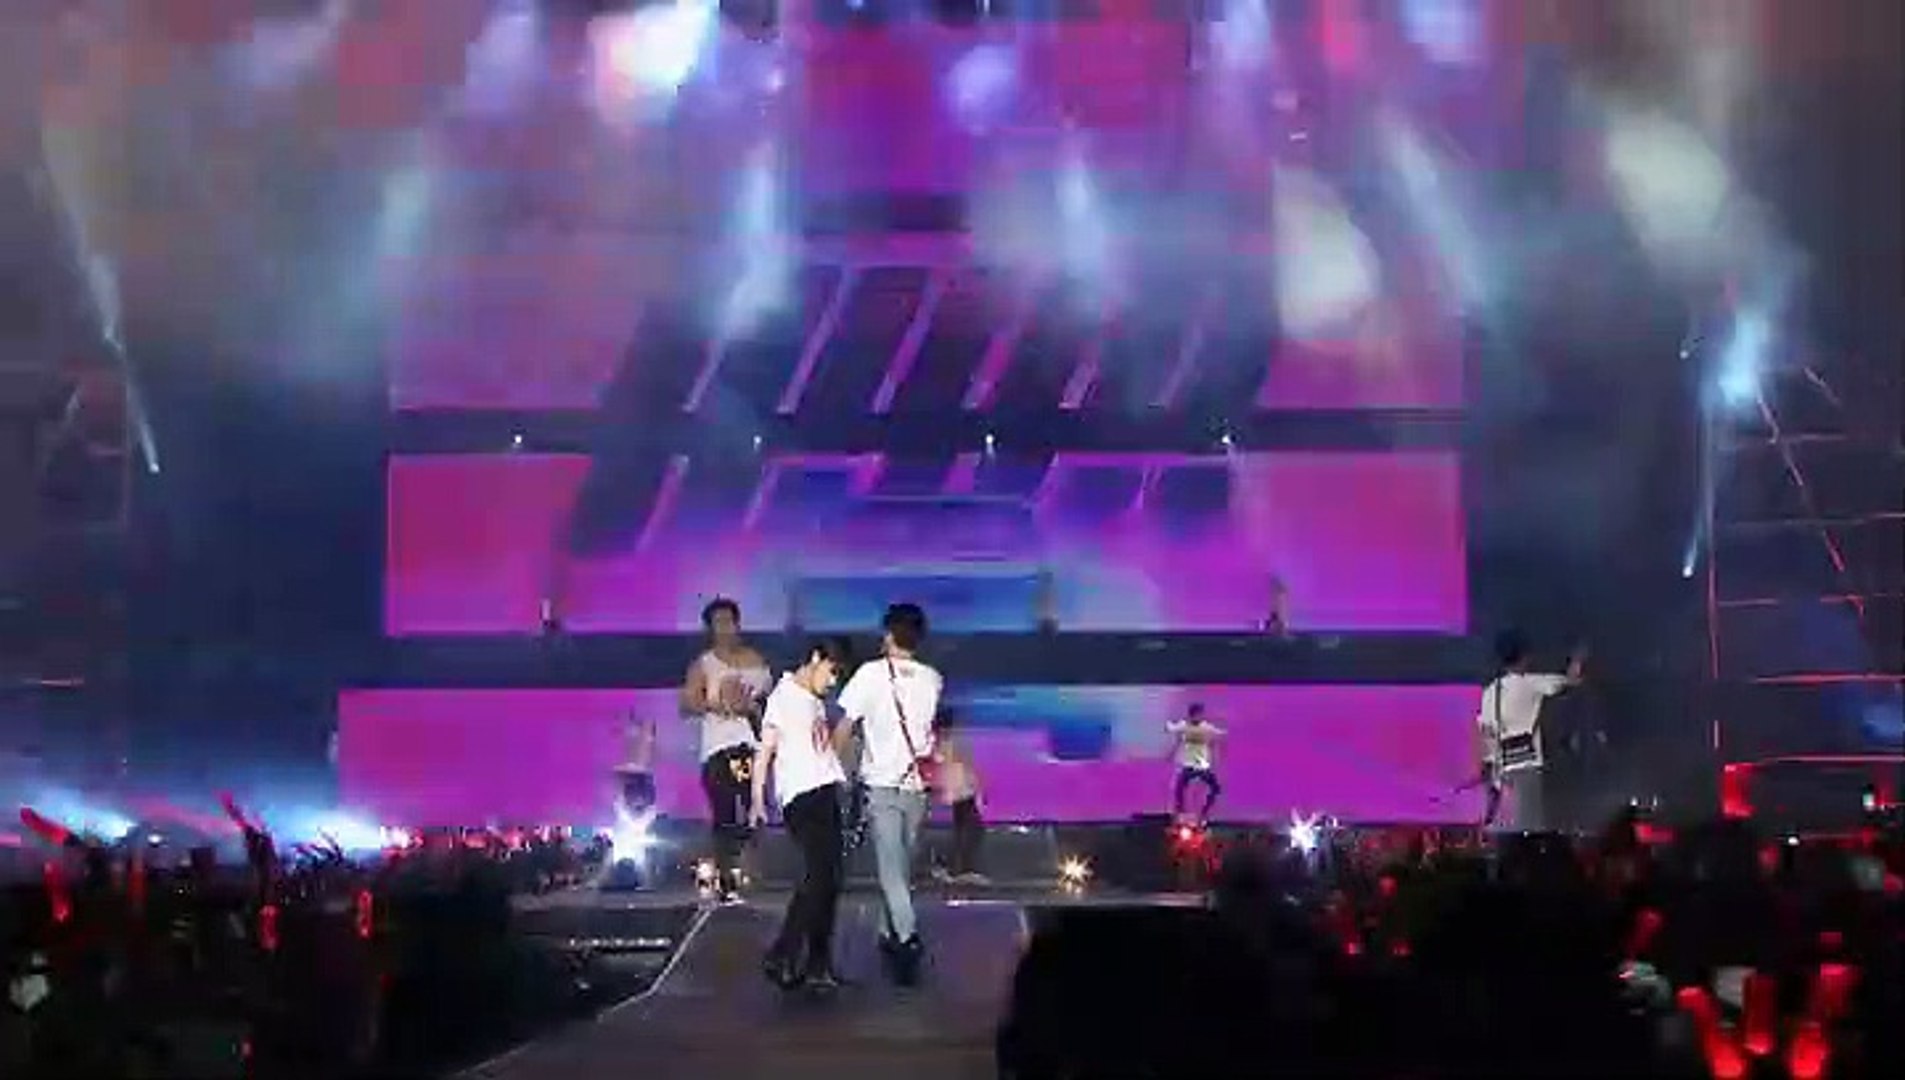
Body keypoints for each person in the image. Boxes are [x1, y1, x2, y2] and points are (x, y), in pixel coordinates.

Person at [838, 602, 941, 985]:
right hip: (915, 785)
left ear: (887, 634)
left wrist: (833, 768)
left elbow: (845, 726)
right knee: (900, 868)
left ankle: (908, 938)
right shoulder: (932, 679)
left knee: (891, 870)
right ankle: (887, 930)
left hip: (881, 785)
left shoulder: (870, 674)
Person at [749, 638, 851, 992]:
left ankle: (817, 963)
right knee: (818, 877)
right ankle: (782, 953)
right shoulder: (784, 696)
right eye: (831, 671)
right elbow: (765, 751)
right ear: (815, 658)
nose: (833, 682)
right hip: (802, 796)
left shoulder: (814, 701)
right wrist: (757, 799)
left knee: (829, 881)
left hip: (825, 791)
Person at [680, 597, 771, 902]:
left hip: (752, 747)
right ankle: (727, 880)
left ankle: (753, 874)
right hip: (719, 749)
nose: (725, 628)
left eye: (729, 622)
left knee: (754, 810)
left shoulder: (756, 660)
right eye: (718, 623)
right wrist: (718, 705)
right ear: (710, 628)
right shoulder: (704, 664)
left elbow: (769, 701)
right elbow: (688, 703)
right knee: (725, 814)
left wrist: (752, 708)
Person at [1476, 640, 1586, 833]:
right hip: (1526, 763)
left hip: (1503, 766)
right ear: (1524, 658)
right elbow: (1570, 681)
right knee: (1529, 824)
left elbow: (1487, 731)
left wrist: (1489, 763)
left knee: (1511, 821)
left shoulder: (1491, 691)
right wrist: (1577, 660)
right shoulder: (1530, 683)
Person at [930, 710, 988, 885]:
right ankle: (955, 867)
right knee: (971, 829)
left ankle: (956, 867)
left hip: (960, 791)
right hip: (961, 791)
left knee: (966, 829)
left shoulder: (941, 742)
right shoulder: (947, 742)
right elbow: (960, 767)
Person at [1168, 703, 1225, 823]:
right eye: (1196, 715)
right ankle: (1181, 811)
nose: (1198, 717)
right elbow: (1172, 728)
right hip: (1189, 765)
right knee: (1179, 787)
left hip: (1202, 766)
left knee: (1215, 788)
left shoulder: (1206, 727)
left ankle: (1204, 812)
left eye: (1200, 715)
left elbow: (1218, 733)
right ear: (1191, 715)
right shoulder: (1184, 725)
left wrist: (1220, 735)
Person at [614, 710, 657, 818]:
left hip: (640, 768)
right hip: (636, 769)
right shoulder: (634, 800)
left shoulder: (648, 800)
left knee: (642, 740)